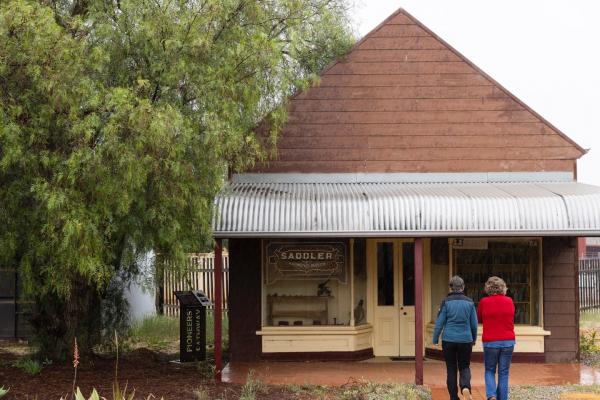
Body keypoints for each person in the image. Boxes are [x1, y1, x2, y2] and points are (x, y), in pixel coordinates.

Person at [433, 276, 478, 400]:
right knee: (464, 366)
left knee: (451, 368)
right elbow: (474, 324)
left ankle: (454, 397)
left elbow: (439, 323)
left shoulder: (446, 302)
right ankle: (465, 388)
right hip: (465, 339)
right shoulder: (470, 302)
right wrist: (473, 339)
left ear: (451, 288)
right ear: (463, 287)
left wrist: (435, 339)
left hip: (449, 340)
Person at [477, 276, 515, 400]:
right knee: (503, 373)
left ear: (488, 288)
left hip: (490, 341)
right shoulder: (509, 301)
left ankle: (491, 395)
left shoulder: (484, 302)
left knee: (489, 370)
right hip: (508, 341)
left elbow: (479, 319)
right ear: (503, 288)